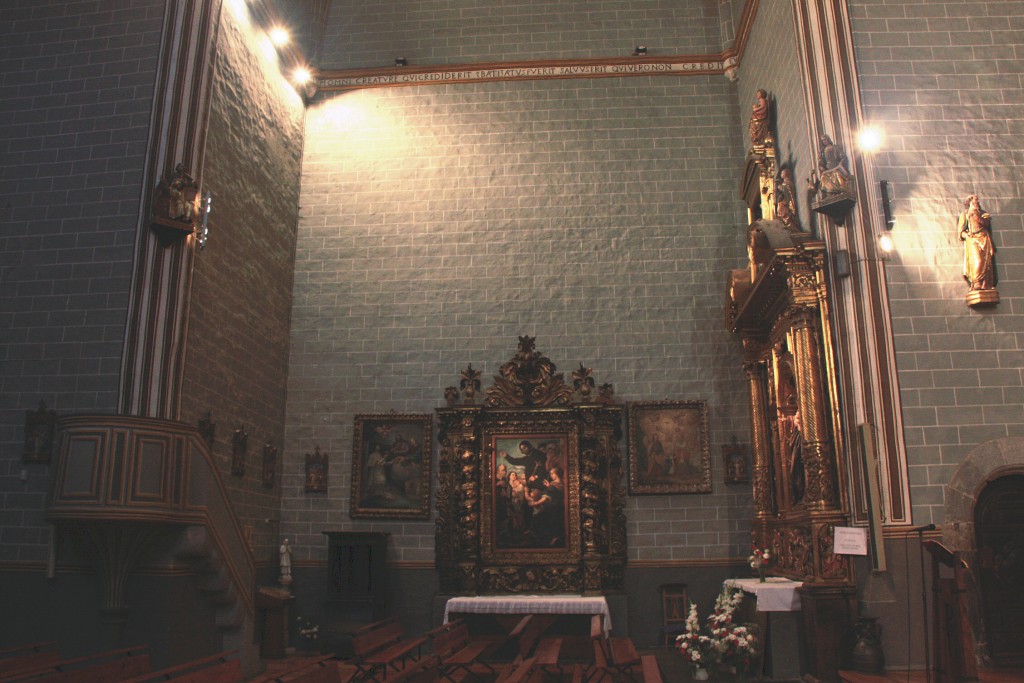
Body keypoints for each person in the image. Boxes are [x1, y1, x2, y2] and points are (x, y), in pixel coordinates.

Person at [957, 194, 996, 291]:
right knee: (978, 260)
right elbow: (961, 231)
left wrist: (978, 217)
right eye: (975, 200)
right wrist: (967, 235)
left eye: (978, 200)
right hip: (972, 239)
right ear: (970, 202)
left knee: (987, 261)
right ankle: (976, 283)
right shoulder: (965, 214)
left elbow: (987, 224)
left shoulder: (983, 213)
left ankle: (986, 283)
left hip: (984, 237)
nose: (977, 202)